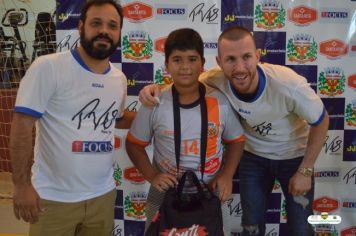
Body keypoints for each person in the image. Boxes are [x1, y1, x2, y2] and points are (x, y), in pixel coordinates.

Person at [139, 26, 329, 236]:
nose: (239, 68)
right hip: (253, 157)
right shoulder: (214, 78)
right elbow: (183, 79)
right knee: (251, 225)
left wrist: (306, 169)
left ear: (257, 56)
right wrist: (153, 90)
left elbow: (321, 120)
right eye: (230, 59)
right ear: (219, 62)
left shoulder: (288, 84)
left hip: (294, 157)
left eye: (246, 57)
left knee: (301, 226)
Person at [9, 0, 135, 235]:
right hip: (53, 199)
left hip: (102, 196)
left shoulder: (118, 79)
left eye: (112, 25)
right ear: (80, 26)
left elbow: (115, 119)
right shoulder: (48, 67)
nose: (104, 31)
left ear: (119, 33)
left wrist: (158, 114)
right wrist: (22, 185)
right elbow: (22, 126)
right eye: (96, 23)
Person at [125, 28, 245, 234]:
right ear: (166, 65)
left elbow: (236, 140)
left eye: (192, 59)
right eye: (177, 60)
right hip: (164, 194)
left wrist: (226, 175)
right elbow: (134, 144)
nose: (185, 67)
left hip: (209, 192)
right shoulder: (155, 102)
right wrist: (153, 176)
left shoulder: (220, 102)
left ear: (202, 64)